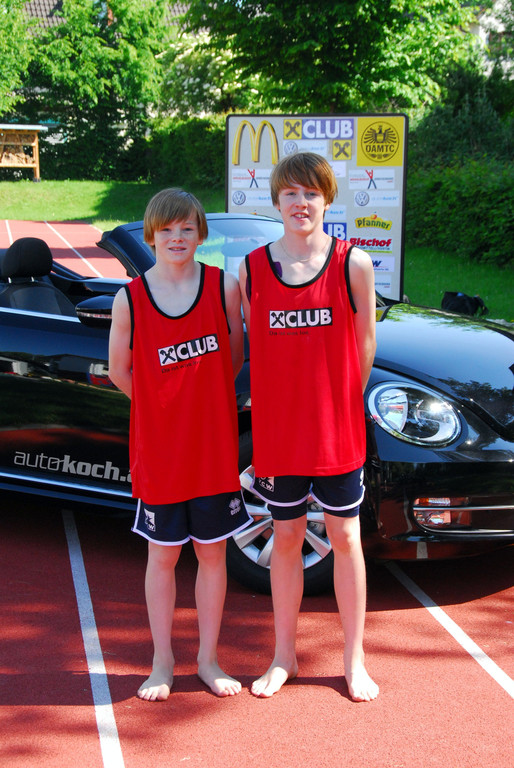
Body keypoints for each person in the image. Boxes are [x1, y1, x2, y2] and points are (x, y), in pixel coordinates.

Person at [239, 152, 379, 702]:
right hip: (279, 435)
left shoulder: (353, 264)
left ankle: (354, 660)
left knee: (345, 537)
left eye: (312, 193)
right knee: (287, 537)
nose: (301, 203)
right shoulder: (252, 269)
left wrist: (336, 402)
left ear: (327, 199)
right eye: (291, 194)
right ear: (277, 201)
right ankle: (284, 657)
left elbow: (365, 346)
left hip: (334, 430)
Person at [109, 188, 251, 701]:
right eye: (166, 230)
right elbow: (120, 371)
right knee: (163, 556)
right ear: (152, 235)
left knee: (212, 554)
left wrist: (202, 402)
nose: (176, 237)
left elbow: (234, 357)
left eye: (187, 228)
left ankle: (208, 659)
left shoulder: (224, 286)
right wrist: (163, 406)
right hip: (162, 453)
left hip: (211, 450)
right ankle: (162, 661)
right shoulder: (130, 298)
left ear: (200, 234)